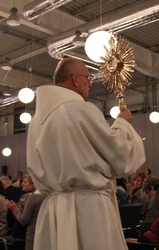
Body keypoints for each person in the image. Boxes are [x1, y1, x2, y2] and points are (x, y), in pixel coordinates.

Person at [26, 57, 146, 250]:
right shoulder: (79, 109)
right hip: (87, 209)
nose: (90, 84)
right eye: (87, 78)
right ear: (75, 79)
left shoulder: (35, 121)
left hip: (53, 209)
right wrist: (123, 124)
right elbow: (119, 156)